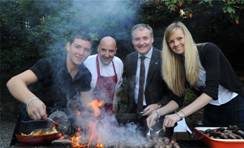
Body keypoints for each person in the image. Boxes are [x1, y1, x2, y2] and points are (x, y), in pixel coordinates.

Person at [159, 21, 244, 129]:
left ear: (187, 37)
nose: (176, 44)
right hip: (211, 109)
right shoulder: (178, 64)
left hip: (235, 105)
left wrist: (179, 115)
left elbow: (210, 92)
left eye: (179, 38)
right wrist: (157, 113)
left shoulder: (209, 50)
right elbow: (177, 99)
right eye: (171, 41)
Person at [6, 32, 93, 121]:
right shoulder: (48, 64)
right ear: (68, 47)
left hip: (61, 127)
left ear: (90, 52)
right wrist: (31, 100)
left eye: (86, 49)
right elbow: (13, 82)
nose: (81, 52)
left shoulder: (85, 74)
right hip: (33, 125)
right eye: (77, 47)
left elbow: (86, 105)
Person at [123, 24, 182, 129]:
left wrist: (159, 104)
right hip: (134, 116)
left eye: (145, 38)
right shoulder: (129, 59)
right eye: (137, 39)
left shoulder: (166, 59)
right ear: (132, 41)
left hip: (160, 116)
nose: (141, 43)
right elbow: (128, 88)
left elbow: (174, 94)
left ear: (152, 39)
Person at [84, 36, 123, 112]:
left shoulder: (119, 63)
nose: (107, 55)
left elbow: (117, 85)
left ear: (115, 51)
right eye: (103, 50)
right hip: (90, 109)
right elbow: (82, 92)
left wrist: (115, 101)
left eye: (111, 51)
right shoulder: (87, 62)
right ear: (98, 49)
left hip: (109, 110)